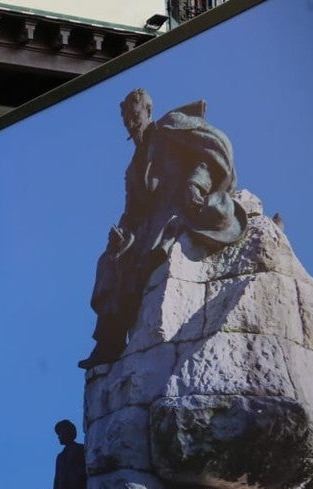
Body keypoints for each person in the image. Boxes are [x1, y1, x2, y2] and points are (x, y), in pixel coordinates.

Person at [80, 88, 248, 368]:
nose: (130, 122)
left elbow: (208, 155)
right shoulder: (132, 168)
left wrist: (196, 184)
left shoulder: (170, 128)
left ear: (147, 111)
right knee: (111, 261)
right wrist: (120, 235)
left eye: (134, 115)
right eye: (126, 119)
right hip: (147, 224)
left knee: (154, 248)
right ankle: (108, 342)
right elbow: (132, 212)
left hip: (177, 208)